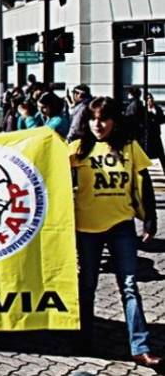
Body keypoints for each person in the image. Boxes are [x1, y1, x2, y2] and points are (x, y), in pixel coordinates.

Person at [69, 97, 159, 367]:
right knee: (87, 286)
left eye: (104, 118)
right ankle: (85, 340)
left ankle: (139, 347)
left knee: (130, 286)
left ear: (114, 121)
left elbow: (144, 182)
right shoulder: (76, 149)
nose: (98, 124)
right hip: (86, 227)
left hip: (122, 225)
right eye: (93, 118)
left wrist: (150, 219)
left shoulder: (130, 147)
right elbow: (53, 178)